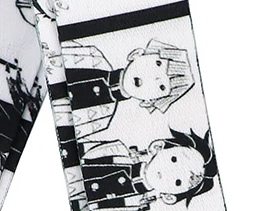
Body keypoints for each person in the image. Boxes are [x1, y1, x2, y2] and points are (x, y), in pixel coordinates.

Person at [78, 128, 217, 211]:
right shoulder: (117, 150)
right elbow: (79, 152)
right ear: (157, 147)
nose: (170, 172)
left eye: (178, 182)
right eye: (174, 160)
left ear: (169, 197)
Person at [55, 39, 194, 138]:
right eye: (158, 64)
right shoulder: (91, 55)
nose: (154, 77)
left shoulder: (101, 120)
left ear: (148, 102)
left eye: (162, 87)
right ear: (136, 54)